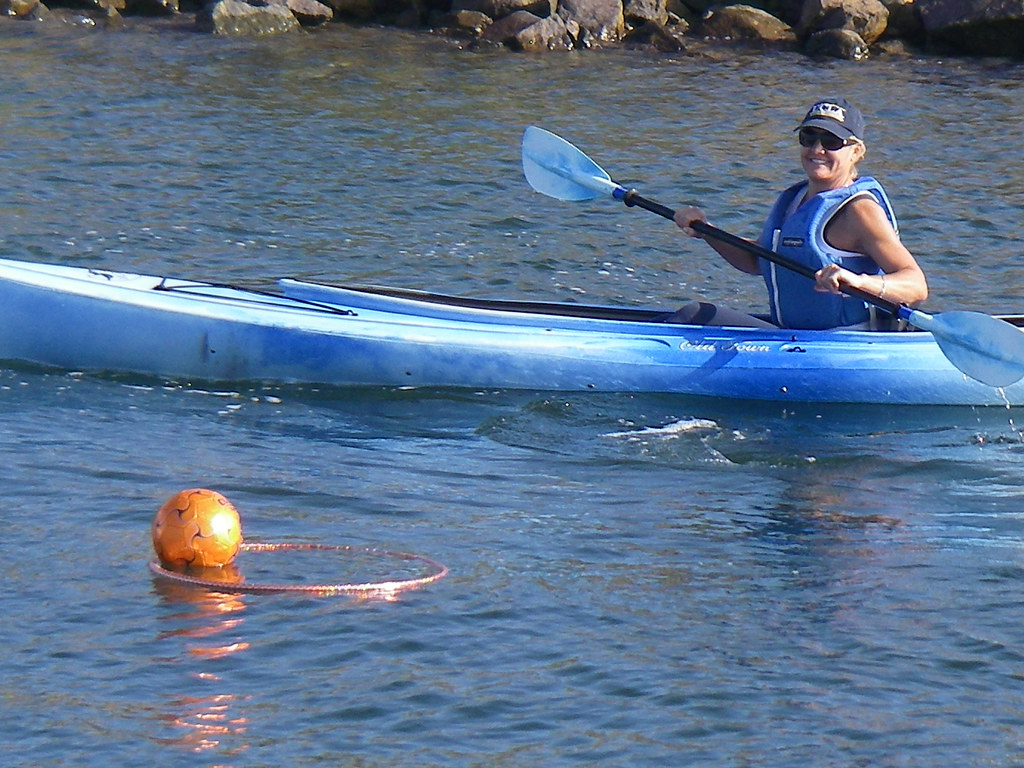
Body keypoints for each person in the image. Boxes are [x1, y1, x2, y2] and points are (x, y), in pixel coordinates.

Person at [670, 97, 928, 330]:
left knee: (693, 315)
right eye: (808, 138)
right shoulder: (793, 199)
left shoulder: (859, 211)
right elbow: (756, 261)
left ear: (856, 151)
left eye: (831, 142)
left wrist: (859, 282)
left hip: (843, 343)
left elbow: (916, 285)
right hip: (794, 337)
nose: (817, 150)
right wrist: (707, 230)